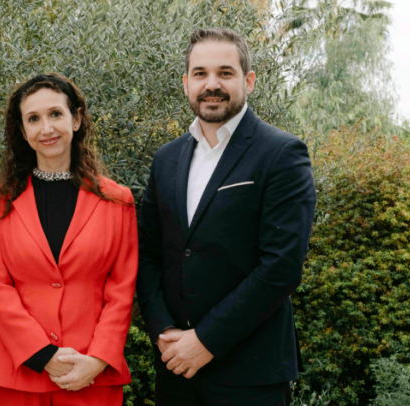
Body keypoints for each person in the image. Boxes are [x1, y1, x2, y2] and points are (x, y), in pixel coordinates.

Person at [136, 28, 317, 406]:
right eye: (200, 73)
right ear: (186, 83)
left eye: (225, 73)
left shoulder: (282, 153)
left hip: (250, 375)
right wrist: (163, 329)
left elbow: (281, 267)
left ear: (248, 81)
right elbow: (149, 253)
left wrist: (205, 341)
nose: (211, 84)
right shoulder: (166, 159)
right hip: (175, 371)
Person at [0, 73, 138, 405]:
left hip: (91, 375)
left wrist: (98, 358)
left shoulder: (117, 201)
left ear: (76, 119)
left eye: (55, 114)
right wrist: (41, 354)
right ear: (23, 131)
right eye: (33, 119)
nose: (46, 128)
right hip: (19, 376)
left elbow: (122, 289)